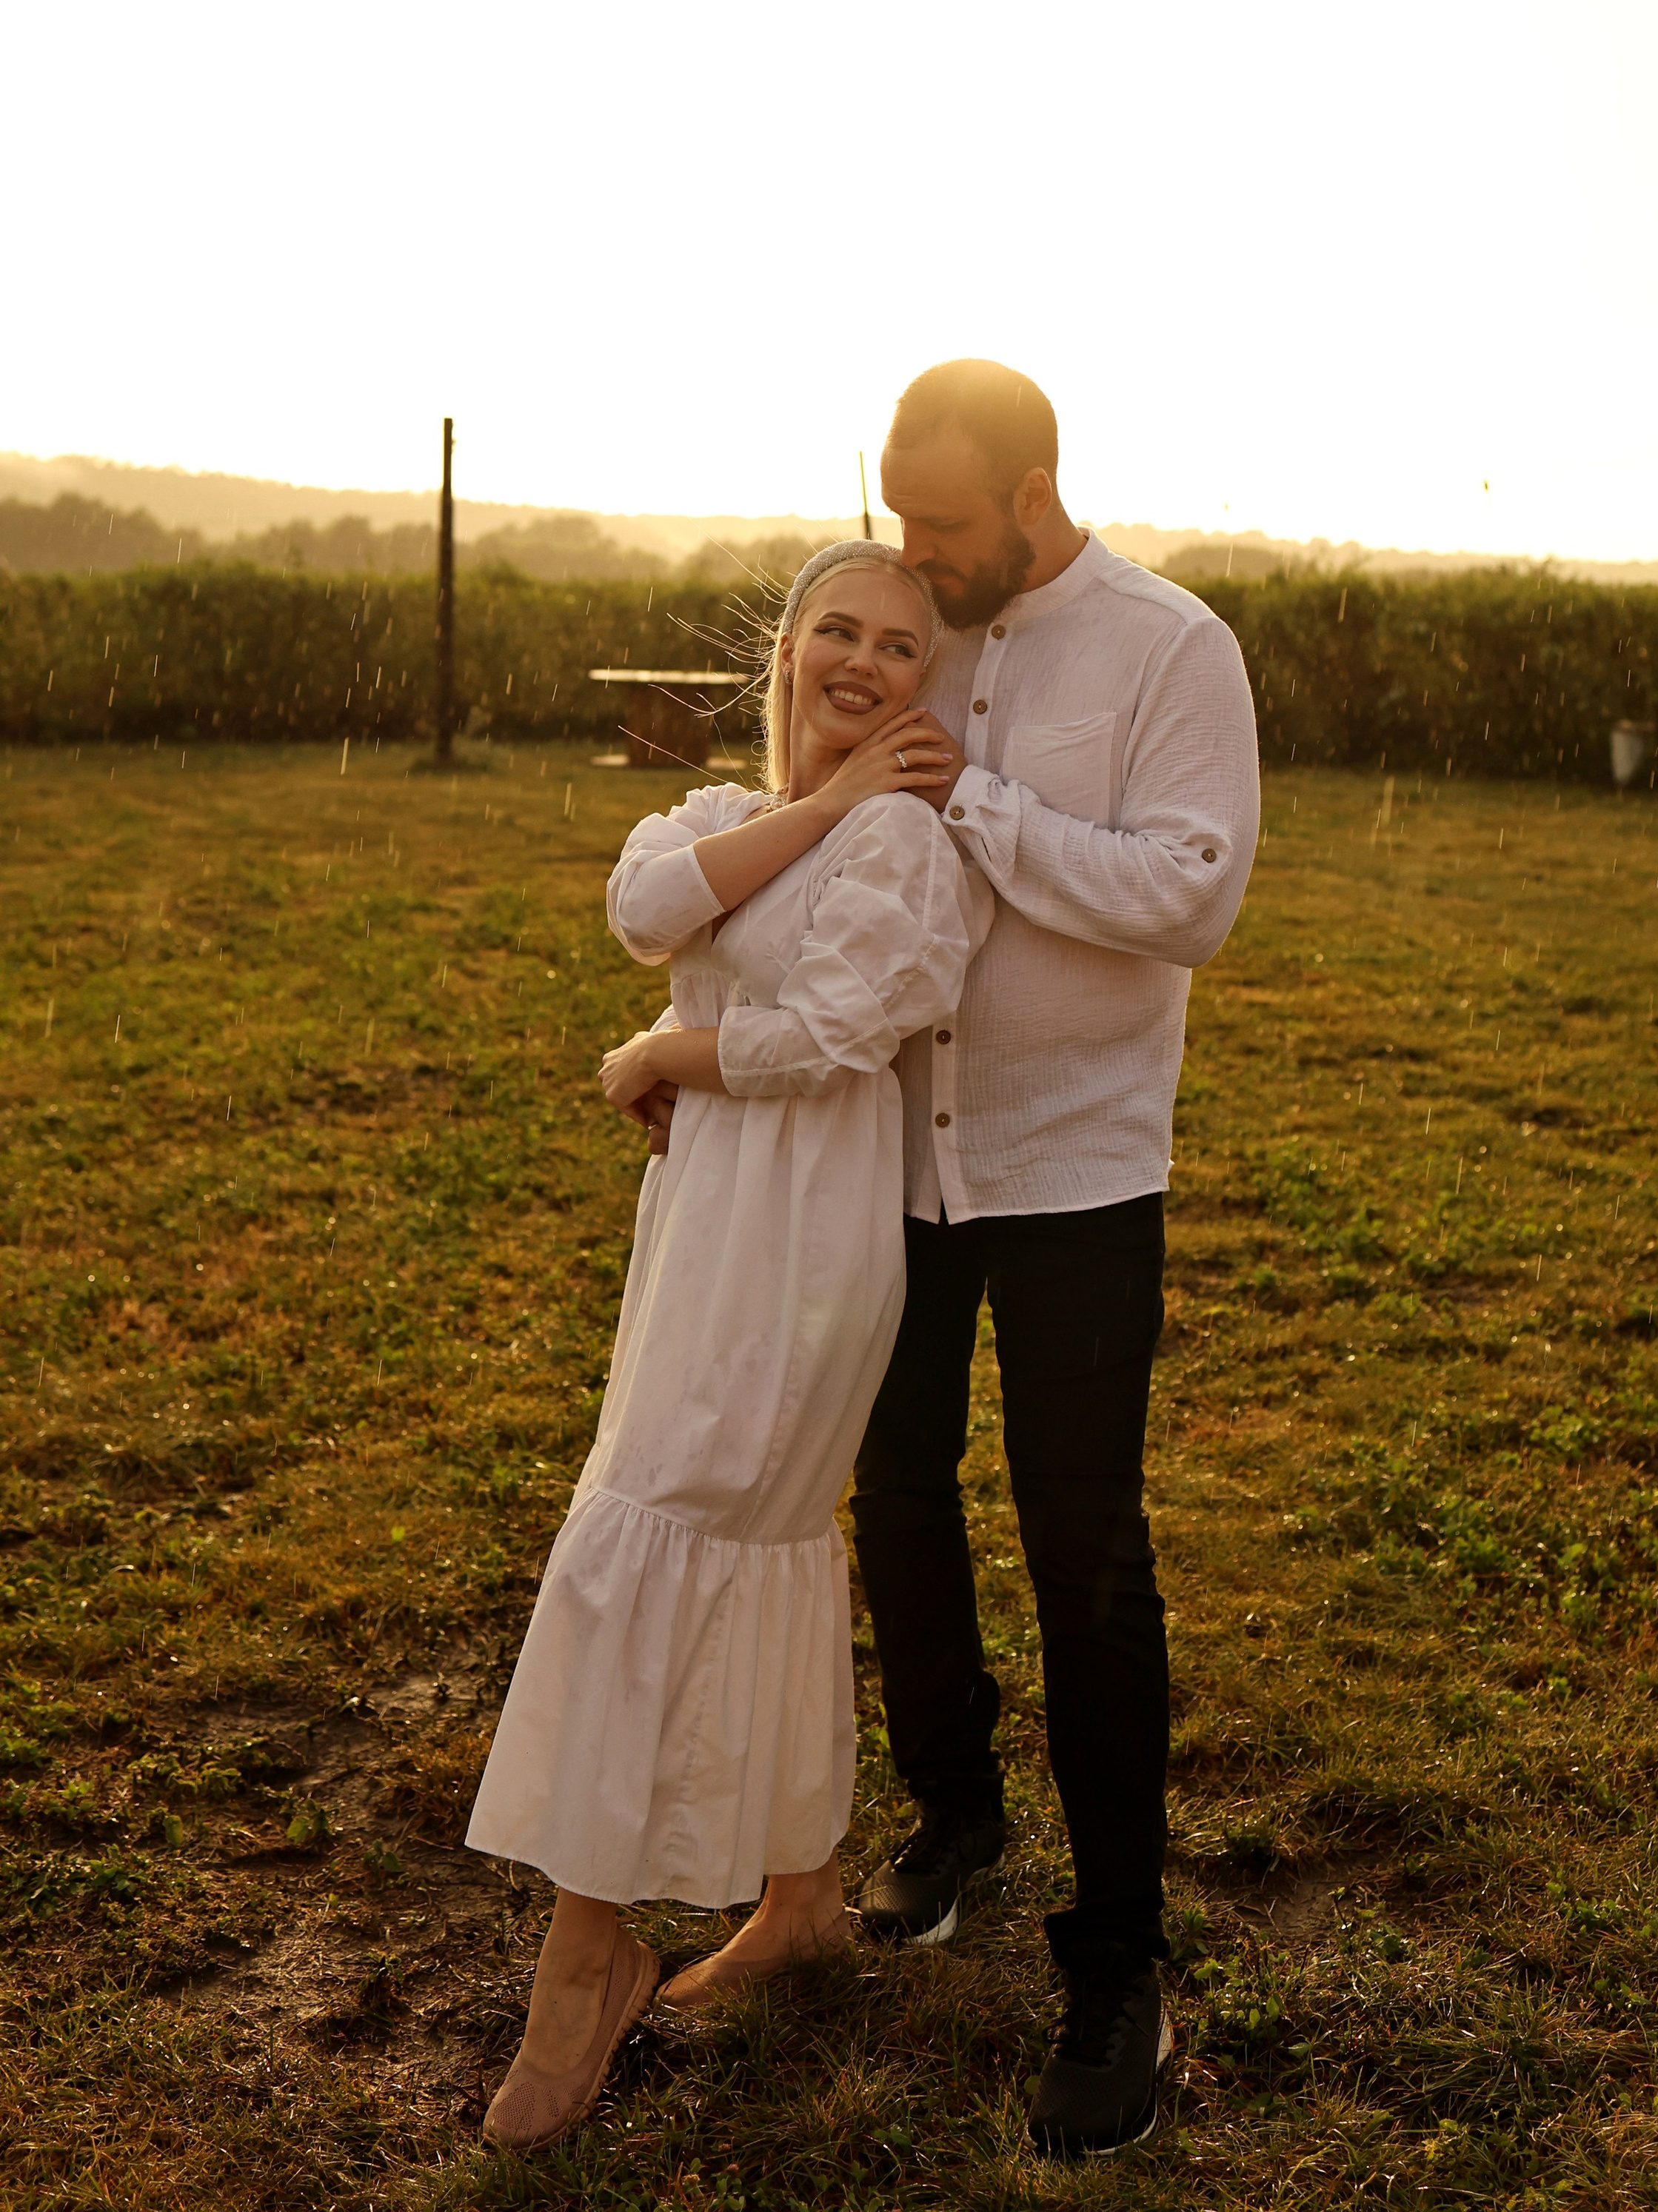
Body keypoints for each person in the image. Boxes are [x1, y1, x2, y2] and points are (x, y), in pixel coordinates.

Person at [467, 540, 988, 2152]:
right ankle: (806, 1894)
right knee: (734, 1537)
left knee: (679, 1528)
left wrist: (660, 1051)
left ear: (926, 687)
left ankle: (586, 1965)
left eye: (897, 650)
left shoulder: (907, 847)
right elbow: (642, 908)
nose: (860, 664)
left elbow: (838, 1029)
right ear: (786, 650)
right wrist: (817, 806)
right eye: (834, 630)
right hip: (700, 1234)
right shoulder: (730, 818)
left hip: (809, 1249)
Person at [849, 358, 1260, 2159]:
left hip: (1078, 1172)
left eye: (939, 523)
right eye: (894, 517)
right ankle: (950, 1817)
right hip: (892, 1153)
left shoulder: (1173, 651)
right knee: (893, 1487)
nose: (910, 556)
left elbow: (1190, 892)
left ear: (1031, 494)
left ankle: (1119, 1964)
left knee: (1083, 1551)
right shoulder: (907, 624)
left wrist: (983, 812)